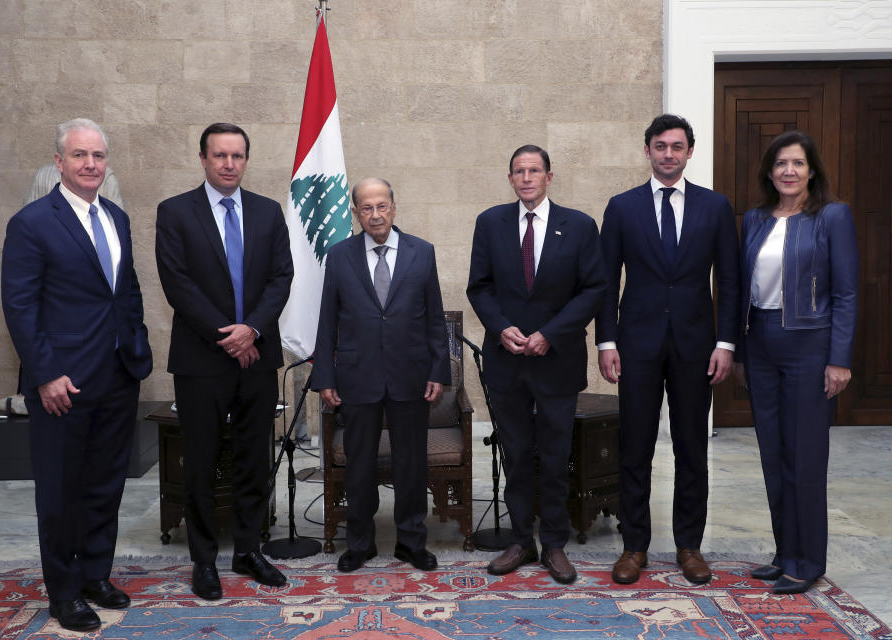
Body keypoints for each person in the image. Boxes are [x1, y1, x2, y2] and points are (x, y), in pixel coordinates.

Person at [1, 118, 153, 632]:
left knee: (105, 486)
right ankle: (63, 593)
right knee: (61, 492)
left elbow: (125, 290)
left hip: (117, 375)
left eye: (98, 156)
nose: (91, 164)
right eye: (80, 155)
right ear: (60, 162)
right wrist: (45, 375)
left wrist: (137, 345)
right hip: (62, 384)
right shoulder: (32, 223)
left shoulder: (116, 217)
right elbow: (20, 307)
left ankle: (95, 575)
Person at [596, 114, 739, 585]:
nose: (668, 154)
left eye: (677, 146)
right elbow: (605, 280)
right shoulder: (622, 207)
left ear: (690, 152)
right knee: (634, 448)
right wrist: (607, 339)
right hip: (635, 347)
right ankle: (634, 547)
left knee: (691, 448)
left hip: (697, 348)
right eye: (660, 146)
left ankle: (689, 546)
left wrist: (725, 342)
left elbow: (730, 281)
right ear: (648, 151)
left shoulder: (715, 207)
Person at [155, 123, 294, 600]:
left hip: (257, 357)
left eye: (237, 156)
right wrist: (228, 337)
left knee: (255, 459)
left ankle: (248, 550)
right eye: (219, 155)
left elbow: (281, 277)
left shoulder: (269, 212)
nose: (229, 164)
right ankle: (204, 560)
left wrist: (252, 329)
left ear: (246, 160)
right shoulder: (175, 212)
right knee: (201, 460)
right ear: (203, 158)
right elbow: (177, 285)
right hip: (201, 361)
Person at [467, 145, 606, 584]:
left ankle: (555, 543)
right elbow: (480, 287)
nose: (526, 178)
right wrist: (501, 327)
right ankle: (520, 539)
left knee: (555, 453)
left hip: (557, 360)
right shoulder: (490, 223)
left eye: (534, 171)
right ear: (510, 179)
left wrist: (552, 333)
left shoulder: (580, 226)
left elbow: (593, 289)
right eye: (518, 172)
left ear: (549, 176)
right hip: (507, 361)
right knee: (516, 454)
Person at [735, 130, 858, 594]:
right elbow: (743, 290)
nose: (789, 171)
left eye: (798, 164)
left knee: (806, 456)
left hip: (810, 345)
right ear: (770, 171)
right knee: (773, 453)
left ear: (812, 171)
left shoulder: (831, 216)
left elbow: (845, 292)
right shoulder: (755, 219)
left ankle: (808, 560)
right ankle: (785, 551)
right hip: (761, 343)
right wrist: (743, 353)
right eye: (781, 164)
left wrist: (839, 359)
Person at [312, 177, 451, 573]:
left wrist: (438, 370)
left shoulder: (422, 252)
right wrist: (325, 377)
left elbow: (434, 319)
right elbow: (327, 324)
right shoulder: (339, 257)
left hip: (411, 375)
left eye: (382, 206)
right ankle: (359, 543)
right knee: (359, 465)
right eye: (367, 208)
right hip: (357, 377)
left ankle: (411, 541)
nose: (376, 215)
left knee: (411, 463)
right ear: (356, 213)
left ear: (394, 206)